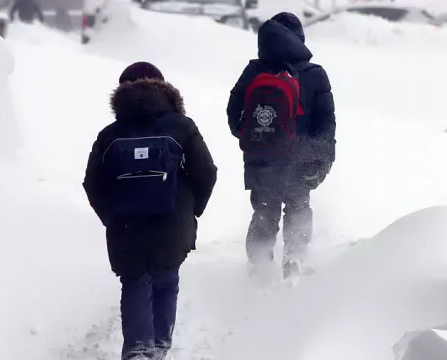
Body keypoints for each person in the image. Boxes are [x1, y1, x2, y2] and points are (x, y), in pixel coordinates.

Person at [83, 62, 217, 360]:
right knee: (166, 278)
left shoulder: (109, 135)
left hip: (126, 224)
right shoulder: (183, 127)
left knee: (135, 281)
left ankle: (137, 349)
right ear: (163, 89)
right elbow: (206, 172)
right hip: (173, 221)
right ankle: (159, 346)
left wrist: (112, 215)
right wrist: (191, 210)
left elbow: (92, 183)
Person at [226, 12, 336, 279]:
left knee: (264, 209)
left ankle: (259, 265)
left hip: (261, 157)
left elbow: (233, 113)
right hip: (301, 158)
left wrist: (252, 138)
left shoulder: (253, 71)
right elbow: (326, 123)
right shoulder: (314, 74)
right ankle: (294, 261)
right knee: (298, 207)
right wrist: (322, 161)